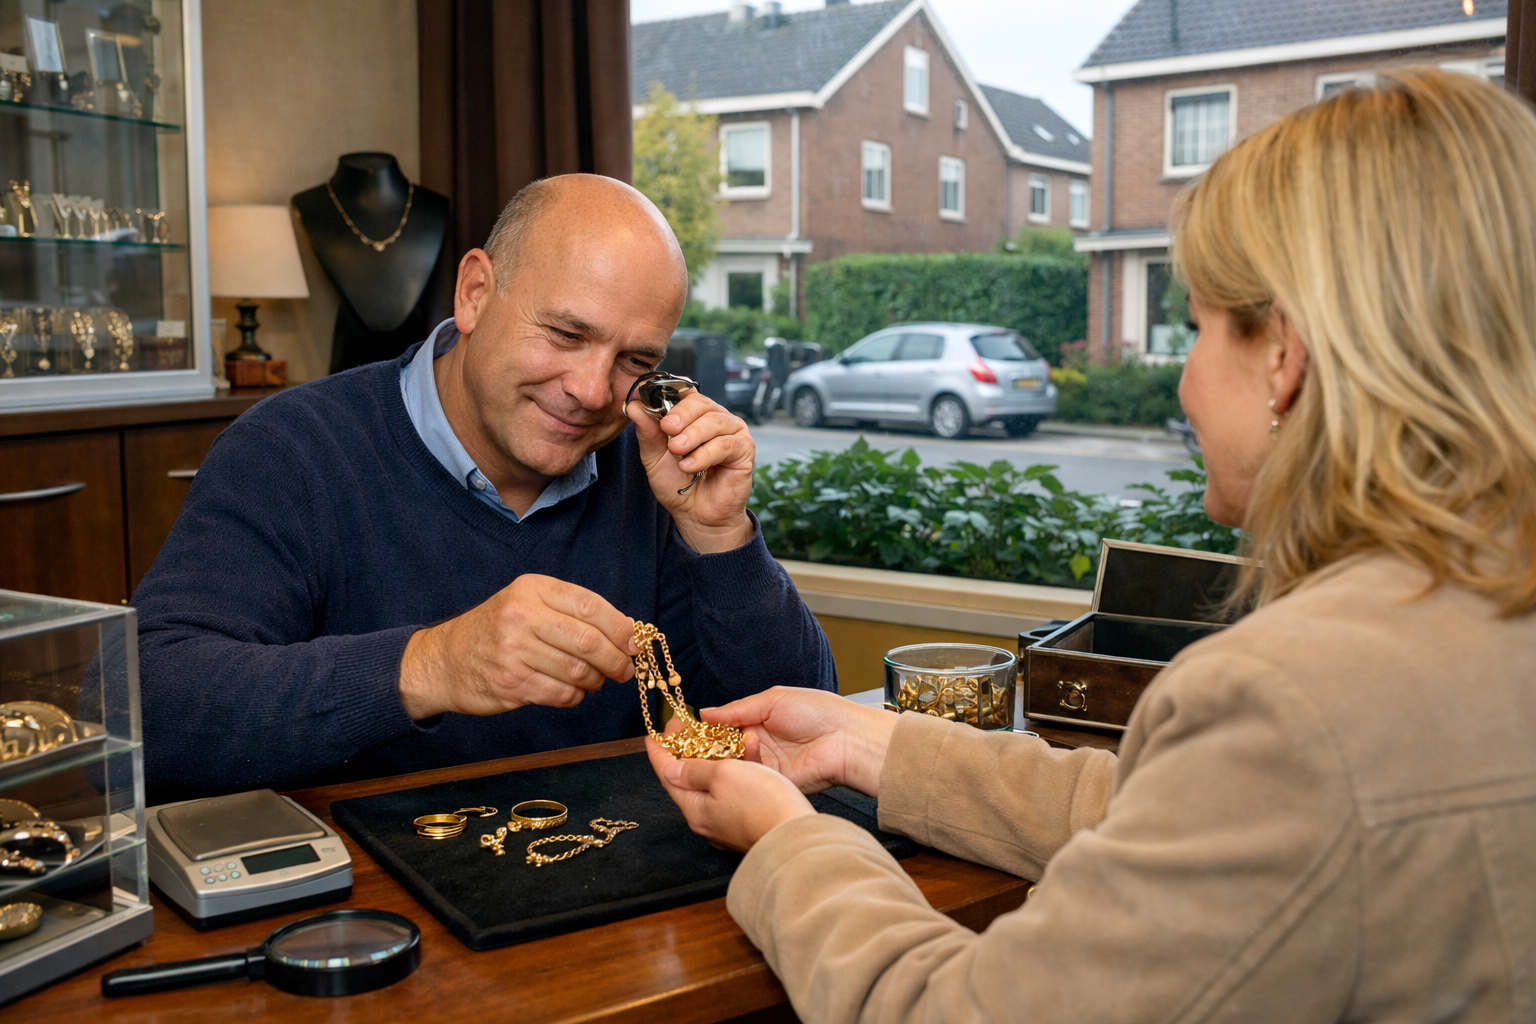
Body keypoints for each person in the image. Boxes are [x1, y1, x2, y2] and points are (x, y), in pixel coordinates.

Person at [647, 69, 1536, 1021]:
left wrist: (788, 839)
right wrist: (868, 743)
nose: (1185, 382)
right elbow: (1172, 817)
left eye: (1194, 329)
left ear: (1284, 358)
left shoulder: (1294, 704)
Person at [133, 174, 836, 801]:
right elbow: (149, 705)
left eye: (634, 360)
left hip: (610, 873)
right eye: (565, 334)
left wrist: (720, 539)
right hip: (364, 891)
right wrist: (430, 666)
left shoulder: (654, 468)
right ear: (475, 294)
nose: (592, 391)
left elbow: (797, 735)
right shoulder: (291, 450)